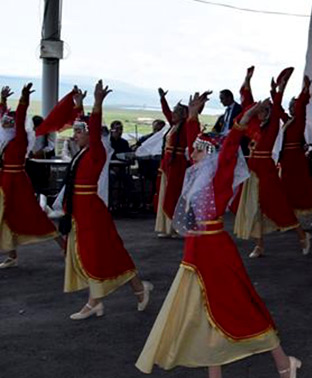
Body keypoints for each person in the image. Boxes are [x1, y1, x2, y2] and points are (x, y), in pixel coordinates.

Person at [136, 93, 301, 378]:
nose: (192, 151)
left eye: (198, 148)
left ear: (209, 153)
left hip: (215, 252)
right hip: (195, 253)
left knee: (238, 309)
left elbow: (227, 150)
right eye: (194, 146)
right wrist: (193, 116)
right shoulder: (197, 175)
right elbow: (188, 143)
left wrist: (243, 120)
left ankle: (283, 362)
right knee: (205, 319)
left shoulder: (219, 175)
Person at [41, 81, 153, 320]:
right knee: (105, 253)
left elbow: (91, 128)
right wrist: (80, 106)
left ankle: (97, 302)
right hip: (81, 211)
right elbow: (85, 127)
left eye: (79, 132)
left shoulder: (97, 151)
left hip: (91, 211)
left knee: (99, 253)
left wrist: (98, 103)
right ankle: (135, 290)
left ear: (91, 134)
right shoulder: (82, 152)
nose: (75, 134)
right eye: (76, 131)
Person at [232, 67, 311, 258]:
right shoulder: (253, 127)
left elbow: (276, 109)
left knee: (278, 205)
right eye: (260, 110)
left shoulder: (273, 125)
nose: (261, 113)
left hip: (266, 170)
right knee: (254, 208)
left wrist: (281, 89)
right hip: (252, 171)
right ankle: (259, 245)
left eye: (265, 110)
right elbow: (247, 105)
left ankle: (302, 235)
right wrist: (247, 80)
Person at [0, 84, 64, 269]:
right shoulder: (4, 141)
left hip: (18, 182)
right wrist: (3, 100)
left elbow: (19, 117)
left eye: (8, 122)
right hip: (5, 181)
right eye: (4, 121)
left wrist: (24, 98)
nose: (5, 124)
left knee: (34, 215)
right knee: (5, 218)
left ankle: (63, 244)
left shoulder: (19, 138)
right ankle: (12, 256)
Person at [278, 75, 312, 218]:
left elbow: (302, 106)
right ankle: (289, 212)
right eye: (290, 106)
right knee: (287, 185)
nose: (291, 109)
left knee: (300, 184)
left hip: (296, 158)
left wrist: (305, 90)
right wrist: (278, 90)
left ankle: (308, 210)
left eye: (293, 106)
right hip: (287, 158)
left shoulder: (299, 121)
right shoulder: (288, 121)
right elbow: (278, 109)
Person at [155, 88, 189, 237]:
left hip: (177, 164)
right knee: (165, 193)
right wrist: (163, 99)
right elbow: (167, 113)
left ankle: (174, 227)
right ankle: (167, 227)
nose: (173, 114)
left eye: (176, 112)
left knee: (173, 194)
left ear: (182, 115)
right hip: (168, 163)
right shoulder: (174, 125)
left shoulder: (184, 127)